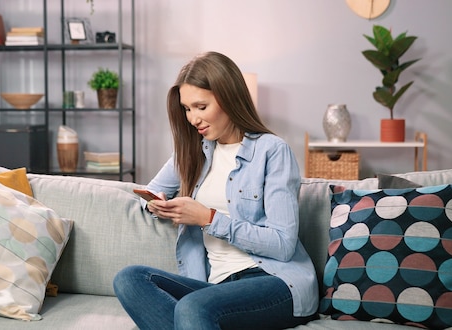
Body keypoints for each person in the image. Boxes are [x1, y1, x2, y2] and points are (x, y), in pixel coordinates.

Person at [113, 51, 319, 329]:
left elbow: (282, 245)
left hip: (275, 281)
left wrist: (208, 219)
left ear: (228, 98)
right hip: (216, 287)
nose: (192, 118)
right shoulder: (191, 152)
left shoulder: (272, 150)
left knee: (193, 307)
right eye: (187, 108)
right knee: (130, 279)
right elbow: (151, 194)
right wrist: (155, 204)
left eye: (201, 106)